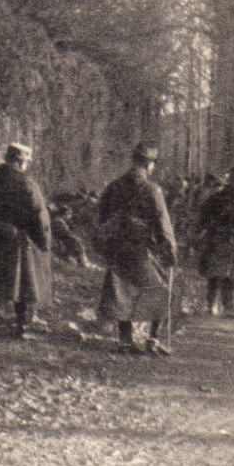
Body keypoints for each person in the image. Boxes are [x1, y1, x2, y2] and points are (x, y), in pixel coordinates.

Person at [96, 142, 178, 355]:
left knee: (122, 291)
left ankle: (125, 340)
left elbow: (101, 215)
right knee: (160, 290)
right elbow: (163, 223)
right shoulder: (153, 189)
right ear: (149, 164)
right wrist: (170, 250)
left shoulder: (113, 187)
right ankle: (153, 339)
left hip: (117, 249)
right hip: (142, 250)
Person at [0, 142, 51, 339]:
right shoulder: (27, 184)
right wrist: (43, 241)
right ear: (20, 161)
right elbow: (39, 215)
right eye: (25, 161)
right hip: (20, 239)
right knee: (24, 283)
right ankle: (22, 327)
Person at [196, 166, 234, 318]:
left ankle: (226, 306)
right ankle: (212, 305)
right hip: (221, 239)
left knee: (232, 276)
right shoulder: (219, 197)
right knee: (217, 274)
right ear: (230, 181)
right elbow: (205, 216)